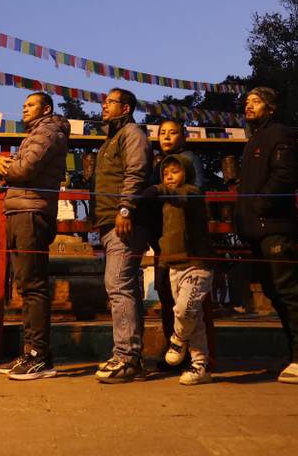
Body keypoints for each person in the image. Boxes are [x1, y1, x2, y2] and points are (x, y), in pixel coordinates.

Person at [234, 87, 298, 384]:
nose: (249, 106)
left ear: (270, 108)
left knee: (288, 290)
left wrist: (261, 203)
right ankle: (293, 353)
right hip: (255, 226)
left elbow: (283, 175)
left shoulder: (279, 133)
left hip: (274, 224)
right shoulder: (252, 140)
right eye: (247, 102)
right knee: (273, 290)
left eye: (256, 102)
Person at [0, 91, 69, 380]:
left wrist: (1, 166)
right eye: (23, 104)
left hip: (31, 211)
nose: (24, 108)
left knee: (33, 285)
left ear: (46, 109)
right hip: (21, 209)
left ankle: (39, 356)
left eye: (31, 104)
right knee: (26, 285)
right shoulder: (36, 133)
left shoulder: (48, 130)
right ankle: (32, 351)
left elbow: (24, 168)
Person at [92, 87, 153, 384]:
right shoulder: (110, 140)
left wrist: (126, 207)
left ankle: (127, 357)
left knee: (117, 283)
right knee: (123, 285)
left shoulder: (132, 134)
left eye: (111, 102)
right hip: (109, 221)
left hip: (125, 222)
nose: (104, 106)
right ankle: (133, 358)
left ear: (126, 108)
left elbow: (136, 171)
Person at [155, 154, 215, 385]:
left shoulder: (192, 193)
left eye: (175, 171)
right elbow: (166, 238)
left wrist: (157, 190)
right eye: (165, 172)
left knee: (184, 311)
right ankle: (200, 364)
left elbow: (184, 197)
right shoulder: (166, 203)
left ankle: (177, 340)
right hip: (174, 267)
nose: (169, 175)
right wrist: (162, 264)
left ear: (187, 173)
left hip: (197, 265)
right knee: (195, 318)